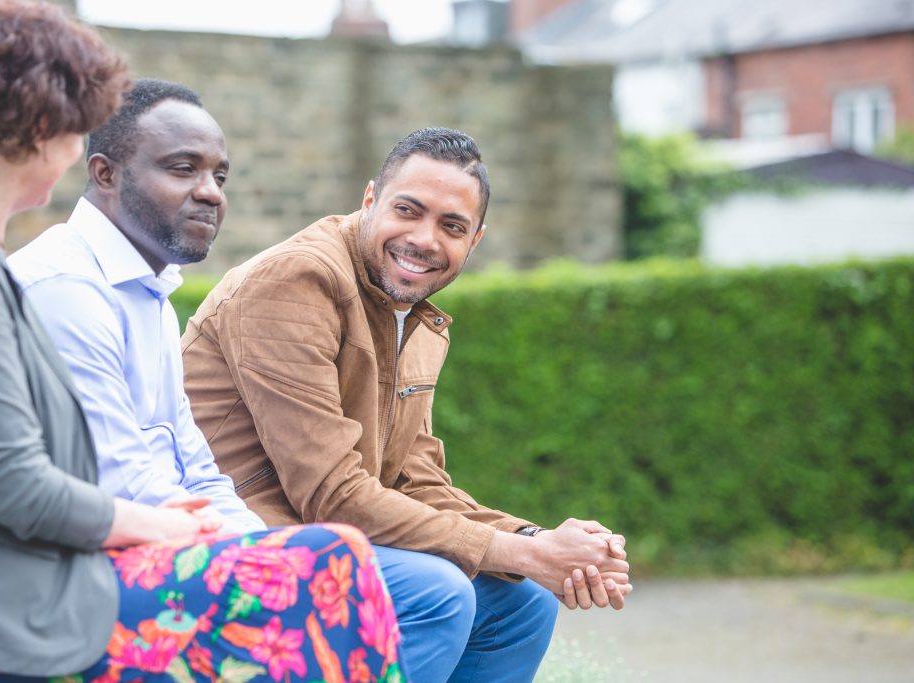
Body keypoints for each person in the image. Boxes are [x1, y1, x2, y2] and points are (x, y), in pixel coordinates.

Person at [0, 3, 404, 683]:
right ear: (44, 128)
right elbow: (14, 485)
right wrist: (163, 526)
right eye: (78, 129)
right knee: (329, 562)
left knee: (316, 565)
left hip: (15, 585)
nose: (77, 152)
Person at [181, 127, 632, 682]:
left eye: (452, 226)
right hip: (228, 541)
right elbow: (334, 497)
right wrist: (525, 555)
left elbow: (415, 482)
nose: (424, 239)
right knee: (437, 592)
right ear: (369, 200)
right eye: (408, 210)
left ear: (476, 240)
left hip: (321, 537)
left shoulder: (411, 316)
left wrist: (540, 543)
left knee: (521, 604)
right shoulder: (296, 282)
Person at [8, 79, 265, 533]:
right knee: (342, 564)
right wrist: (255, 555)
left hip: (175, 541)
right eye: (184, 169)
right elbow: (120, 484)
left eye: (219, 176)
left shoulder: (151, 292)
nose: (212, 193)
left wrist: (258, 543)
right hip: (92, 564)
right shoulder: (66, 290)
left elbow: (197, 468)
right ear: (106, 174)